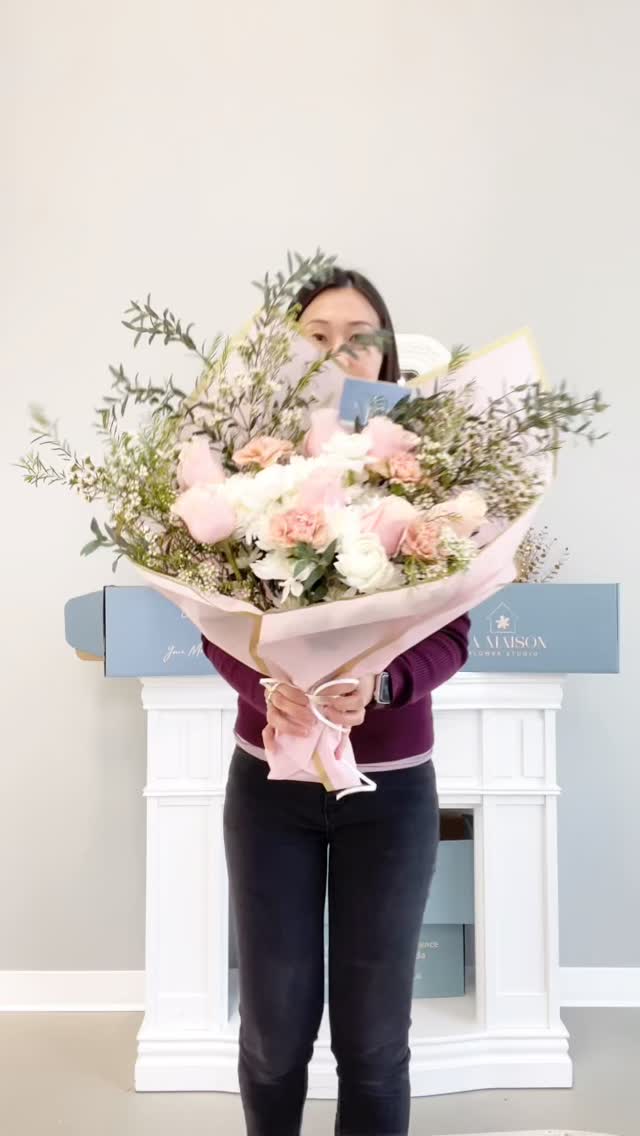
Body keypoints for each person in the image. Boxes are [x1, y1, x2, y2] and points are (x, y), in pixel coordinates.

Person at [203, 267, 470, 1136]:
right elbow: (217, 622)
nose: (337, 352)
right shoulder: (248, 469)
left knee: (374, 1042)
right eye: (315, 335)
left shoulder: (433, 476)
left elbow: (451, 634)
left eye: (358, 335)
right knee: (274, 1035)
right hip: (269, 790)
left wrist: (385, 683)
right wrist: (269, 686)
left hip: (389, 794)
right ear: (285, 352)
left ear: (388, 354)